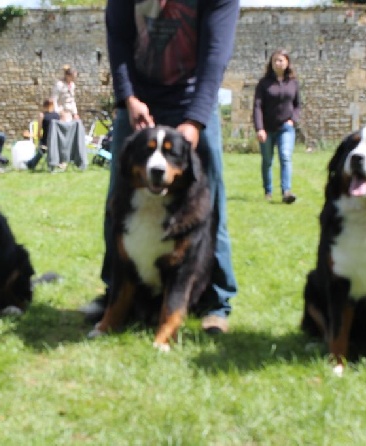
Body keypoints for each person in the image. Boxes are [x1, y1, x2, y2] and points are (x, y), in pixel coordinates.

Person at [79, 0, 240, 334]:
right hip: (139, 98)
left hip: (193, 97)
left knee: (210, 205)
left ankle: (216, 303)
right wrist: (128, 98)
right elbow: (119, 39)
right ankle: (115, 294)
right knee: (119, 204)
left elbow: (215, 54)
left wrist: (195, 119)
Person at [252, 49, 301, 204]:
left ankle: (286, 191)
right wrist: (259, 128)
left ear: (287, 62)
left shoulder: (293, 83)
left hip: (286, 127)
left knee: (285, 157)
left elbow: (298, 105)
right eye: (275, 60)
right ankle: (268, 190)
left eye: (281, 60)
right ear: (271, 64)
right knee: (267, 161)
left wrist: (293, 120)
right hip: (267, 128)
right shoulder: (264, 84)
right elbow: (257, 106)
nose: (278, 63)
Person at [26, 98, 60, 170]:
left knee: (42, 148)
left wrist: (36, 137)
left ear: (44, 106)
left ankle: (31, 163)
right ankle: (31, 163)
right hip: (56, 143)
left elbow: (38, 132)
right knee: (43, 148)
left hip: (46, 142)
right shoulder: (57, 116)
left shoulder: (42, 115)